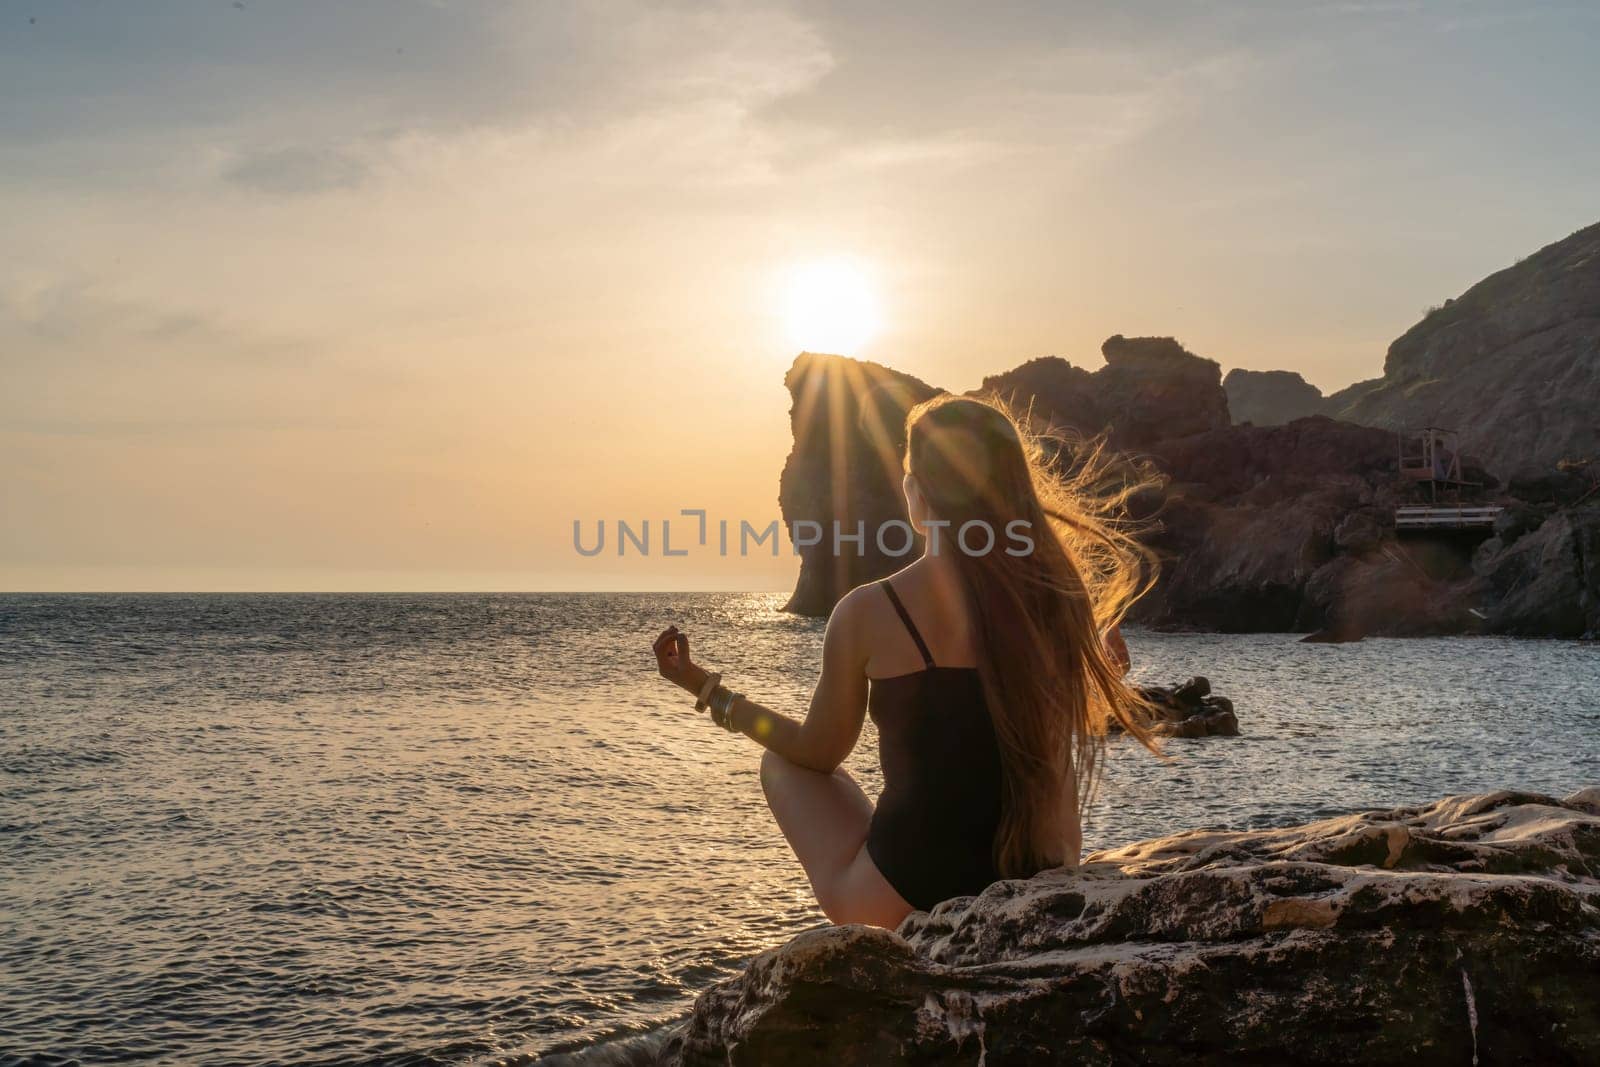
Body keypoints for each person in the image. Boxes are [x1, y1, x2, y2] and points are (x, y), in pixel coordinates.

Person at [651, 394, 1163, 929]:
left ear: (915, 496)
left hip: (902, 900)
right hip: (1041, 880)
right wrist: (1101, 667)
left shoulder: (868, 612)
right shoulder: (1057, 597)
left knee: (784, 764)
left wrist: (706, 689)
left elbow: (816, 753)